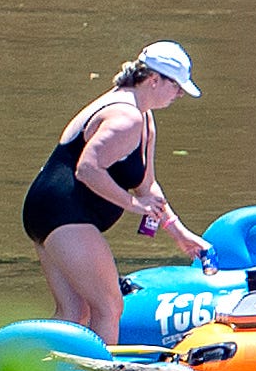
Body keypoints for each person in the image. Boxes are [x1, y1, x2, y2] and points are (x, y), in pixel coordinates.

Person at [23, 42, 204, 342]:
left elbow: (147, 186)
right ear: (153, 79)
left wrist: (179, 233)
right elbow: (88, 169)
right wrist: (133, 205)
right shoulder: (126, 118)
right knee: (108, 306)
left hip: (47, 210)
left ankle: (32, 369)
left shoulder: (143, 115)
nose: (180, 94)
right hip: (62, 213)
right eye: (177, 86)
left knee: (74, 312)